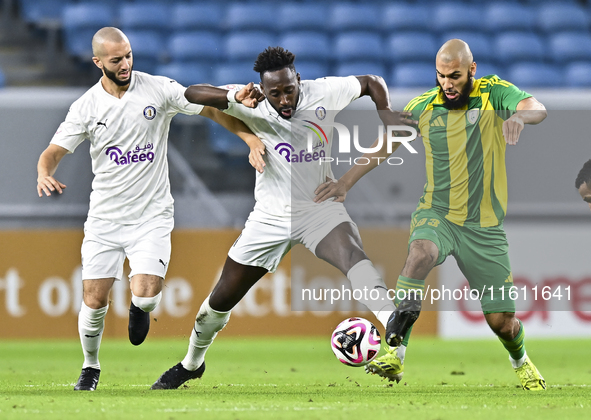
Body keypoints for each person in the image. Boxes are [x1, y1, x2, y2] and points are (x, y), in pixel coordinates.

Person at [150, 46, 415, 389]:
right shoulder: (252, 100)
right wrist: (233, 97)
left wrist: (385, 113)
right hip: (269, 217)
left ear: (298, 80)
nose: (284, 99)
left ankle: (391, 319)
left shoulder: (325, 92)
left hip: (319, 208)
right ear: (263, 89)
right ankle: (191, 363)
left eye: (289, 90)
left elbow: (371, 81)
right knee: (217, 303)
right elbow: (193, 94)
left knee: (352, 256)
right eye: (275, 93)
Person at [36, 27, 262, 391]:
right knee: (94, 300)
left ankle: (140, 309)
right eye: (116, 60)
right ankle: (90, 367)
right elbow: (53, 152)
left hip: (151, 217)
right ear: (98, 63)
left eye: (127, 56)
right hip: (104, 220)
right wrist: (44, 173)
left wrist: (249, 137)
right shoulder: (86, 107)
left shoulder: (157, 88)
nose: (125, 64)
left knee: (146, 294)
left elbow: (210, 107)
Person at [314, 39, 548, 390]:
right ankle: (395, 354)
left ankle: (521, 360)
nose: (447, 84)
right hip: (436, 213)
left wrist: (518, 116)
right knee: (421, 253)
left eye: (455, 76)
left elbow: (537, 108)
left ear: (471, 70)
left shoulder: (494, 93)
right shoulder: (423, 106)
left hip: (484, 228)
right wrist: (346, 181)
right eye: (441, 76)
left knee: (503, 322)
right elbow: (386, 144)